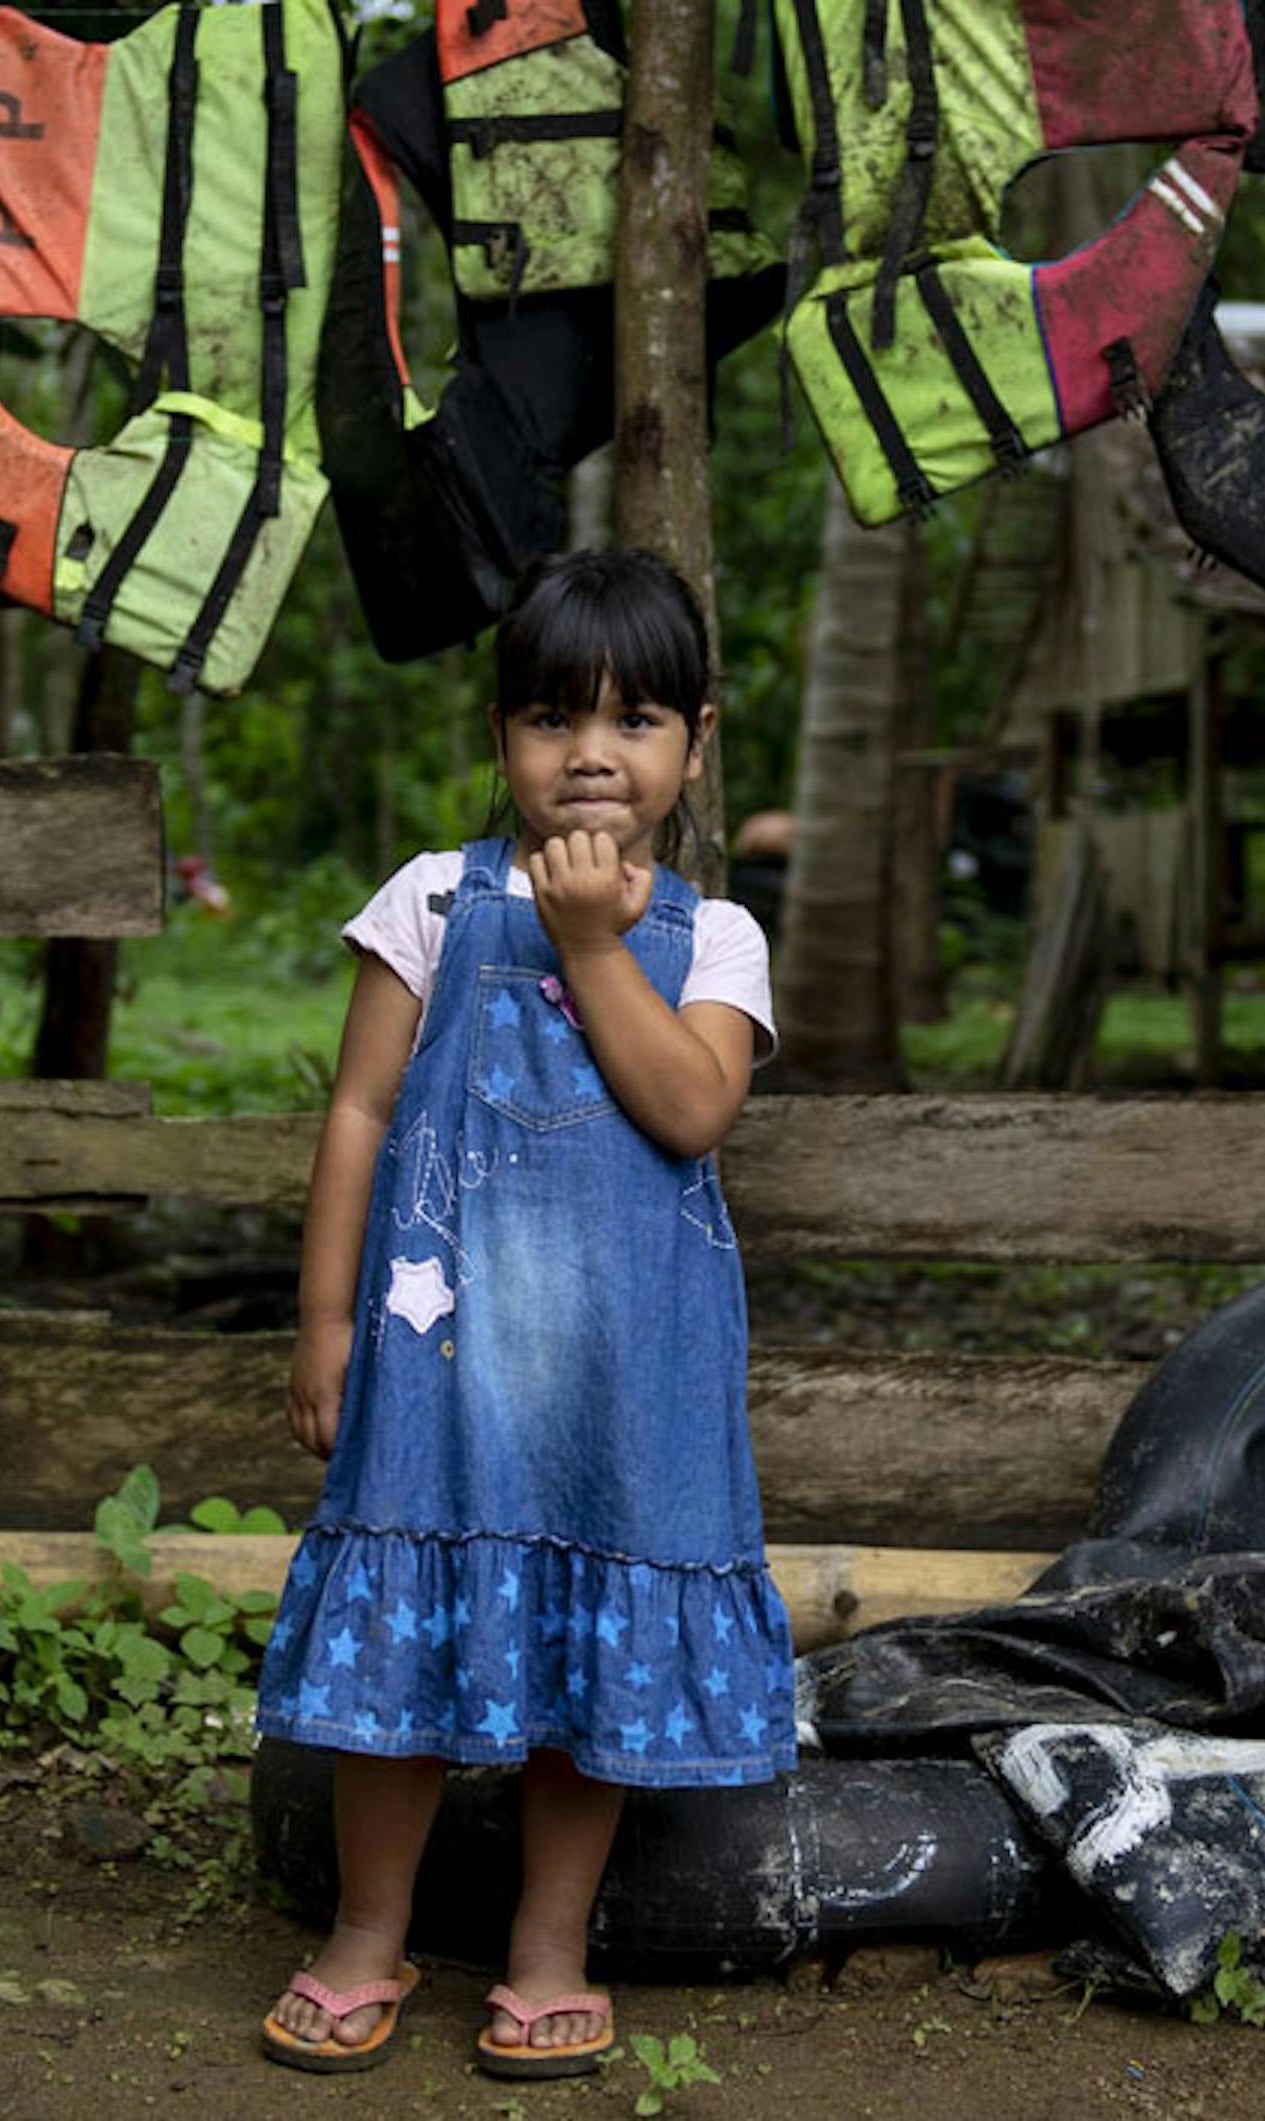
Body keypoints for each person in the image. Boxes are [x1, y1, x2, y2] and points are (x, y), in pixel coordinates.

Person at [253, 548, 797, 2078]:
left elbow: (691, 1109)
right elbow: (360, 1112)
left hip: (625, 1386)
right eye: (555, 717)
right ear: (502, 739)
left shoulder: (718, 937)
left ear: (693, 743)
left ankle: (550, 1949)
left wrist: (590, 943)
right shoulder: (432, 902)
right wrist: (323, 1319)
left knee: (591, 1665)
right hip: (440, 1371)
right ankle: (370, 1932)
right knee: (403, 1663)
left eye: (634, 721)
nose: (591, 755)